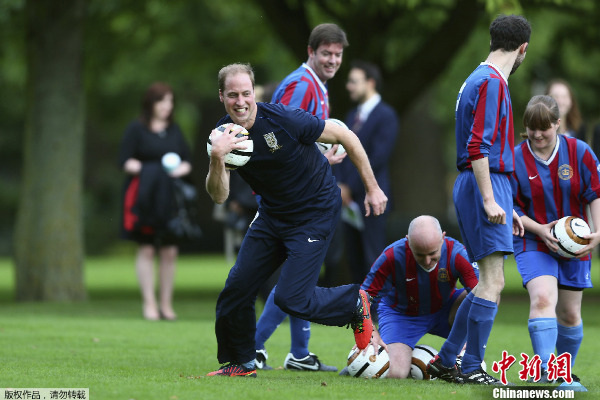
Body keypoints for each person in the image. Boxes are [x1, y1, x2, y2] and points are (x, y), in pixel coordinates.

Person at [206, 63, 387, 377]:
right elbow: (219, 195)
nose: (240, 101)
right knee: (236, 288)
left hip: (313, 213)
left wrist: (371, 188)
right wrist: (216, 158)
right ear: (221, 96)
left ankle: (353, 303)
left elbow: (345, 134)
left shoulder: (283, 118)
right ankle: (241, 362)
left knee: (292, 298)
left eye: (246, 93)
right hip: (272, 216)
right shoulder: (223, 136)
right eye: (232, 94)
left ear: (254, 93)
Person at [427, 14, 529, 385]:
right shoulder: (491, 82)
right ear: (522, 49)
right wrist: (490, 198)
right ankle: (470, 368)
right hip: (481, 183)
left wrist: (507, 202)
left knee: (487, 281)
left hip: (483, 183)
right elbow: (477, 147)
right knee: (492, 282)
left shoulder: (476, 77)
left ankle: (447, 359)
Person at [254, 23, 348, 372]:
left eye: (337, 55)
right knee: (295, 279)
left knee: (301, 276)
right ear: (311, 52)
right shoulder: (300, 84)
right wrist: (321, 158)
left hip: (300, 195)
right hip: (293, 199)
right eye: (326, 53)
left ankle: (299, 353)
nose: (332, 60)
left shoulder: (315, 85)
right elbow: (278, 138)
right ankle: (252, 346)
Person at [511, 95, 599, 391]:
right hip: (533, 241)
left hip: (575, 244)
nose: (536, 134)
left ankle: (565, 370)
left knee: (570, 314)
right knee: (544, 299)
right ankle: (554, 374)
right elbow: (510, 208)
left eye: (544, 128)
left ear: (558, 124)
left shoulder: (580, 152)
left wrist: (597, 233)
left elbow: (595, 193)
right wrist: (540, 229)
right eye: (531, 128)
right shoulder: (514, 158)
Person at [356, 216, 479, 379]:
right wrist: (370, 332)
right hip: (401, 316)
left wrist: (465, 337)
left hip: (447, 309)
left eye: (433, 253)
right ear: (408, 242)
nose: (427, 261)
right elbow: (362, 297)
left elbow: (487, 295)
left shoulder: (457, 253)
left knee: (481, 292)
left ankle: (453, 349)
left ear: (443, 238)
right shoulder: (392, 255)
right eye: (420, 254)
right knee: (396, 373)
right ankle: (359, 362)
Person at [118, 82, 192, 321]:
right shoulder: (136, 129)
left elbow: (187, 161)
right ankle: (149, 303)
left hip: (170, 197)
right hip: (144, 196)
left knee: (170, 250)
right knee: (147, 247)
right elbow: (124, 161)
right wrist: (151, 170)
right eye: (162, 101)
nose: (167, 107)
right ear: (150, 104)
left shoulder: (175, 130)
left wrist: (176, 170)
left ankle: (166, 304)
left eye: (170, 102)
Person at [336, 60, 399, 284]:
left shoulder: (386, 116)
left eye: (354, 82)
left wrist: (348, 187)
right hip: (348, 202)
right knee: (354, 258)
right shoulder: (352, 115)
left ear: (370, 83)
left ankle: (379, 310)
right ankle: (361, 311)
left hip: (373, 200)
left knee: (374, 257)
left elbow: (378, 158)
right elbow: (341, 152)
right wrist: (340, 185)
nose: (349, 87)